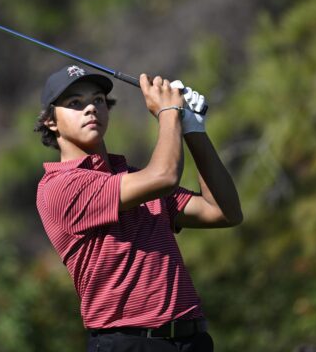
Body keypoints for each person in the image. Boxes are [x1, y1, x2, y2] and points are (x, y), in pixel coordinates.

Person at [34, 64, 243, 352]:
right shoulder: (60, 187)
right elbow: (164, 176)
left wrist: (193, 129)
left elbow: (222, 211)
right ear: (50, 122)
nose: (90, 109)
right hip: (128, 343)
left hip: (191, 339)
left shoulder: (131, 179)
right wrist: (169, 114)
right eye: (75, 103)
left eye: (97, 100)